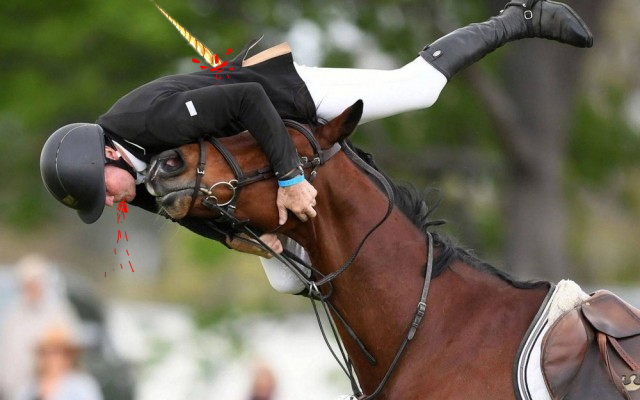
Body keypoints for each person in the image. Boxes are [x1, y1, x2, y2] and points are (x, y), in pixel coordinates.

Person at [40, 0, 593, 294]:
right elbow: (187, 213)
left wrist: (289, 179)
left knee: (418, 91)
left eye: (102, 192)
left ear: (109, 155)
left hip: (286, 93)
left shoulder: (147, 120)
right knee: (287, 279)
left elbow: (250, 100)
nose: (111, 201)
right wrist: (249, 241)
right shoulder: (128, 178)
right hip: (262, 151)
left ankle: (517, 16)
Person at [0, 255, 81, 400]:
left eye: (34, 282)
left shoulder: (58, 313)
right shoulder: (12, 314)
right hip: (16, 389)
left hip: (53, 387)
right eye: (26, 283)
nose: (31, 287)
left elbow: (70, 344)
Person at [13, 324, 103, 400]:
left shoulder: (82, 385)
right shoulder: (29, 387)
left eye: (58, 352)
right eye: (48, 352)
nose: (53, 358)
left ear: (69, 356)